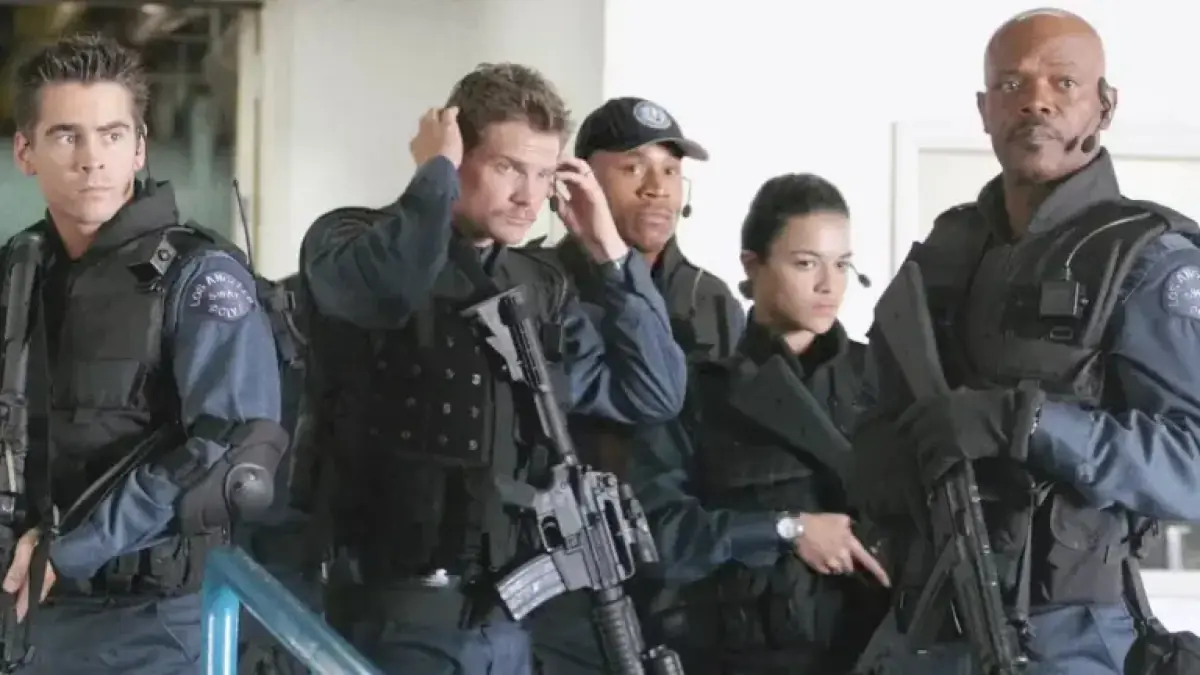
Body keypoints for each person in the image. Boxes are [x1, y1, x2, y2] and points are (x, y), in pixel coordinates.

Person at [299, 63, 687, 675]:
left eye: (543, 174)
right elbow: (388, 293)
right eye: (509, 168)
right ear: (457, 151)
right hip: (386, 609)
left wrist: (609, 253)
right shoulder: (351, 240)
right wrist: (433, 175)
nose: (529, 196)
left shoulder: (538, 286)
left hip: (503, 621)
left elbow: (653, 391)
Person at [850, 9, 1200, 675]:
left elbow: (1193, 464)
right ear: (984, 110)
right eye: (1010, 85)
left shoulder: (1148, 259)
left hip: (1065, 637)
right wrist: (895, 463)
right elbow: (869, 413)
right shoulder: (946, 249)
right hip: (920, 625)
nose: (1035, 101)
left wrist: (1024, 422)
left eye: (1063, 83)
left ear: (1105, 106)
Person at [4, 34, 287, 674]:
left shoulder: (199, 276)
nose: (91, 160)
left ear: (139, 148)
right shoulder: (19, 270)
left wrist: (69, 550)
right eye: (66, 136)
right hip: (27, 615)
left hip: (149, 626)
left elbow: (226, 444)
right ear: (26, 151)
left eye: (111, 136)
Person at [627, 174, 890, 675]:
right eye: (806, 263)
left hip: (869, 654)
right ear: (752, 264)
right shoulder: (697, 392)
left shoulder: (883, 381)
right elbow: (657, 535)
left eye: (842, 264)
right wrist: (786, 529)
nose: (828, 284)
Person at [527, 96, 745, 675]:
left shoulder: (709, 300)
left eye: (670, 171)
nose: (657, 189)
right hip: (567, 575)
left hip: (682, 573)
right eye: (633, 168)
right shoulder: (541, 286)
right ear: (581, 181)